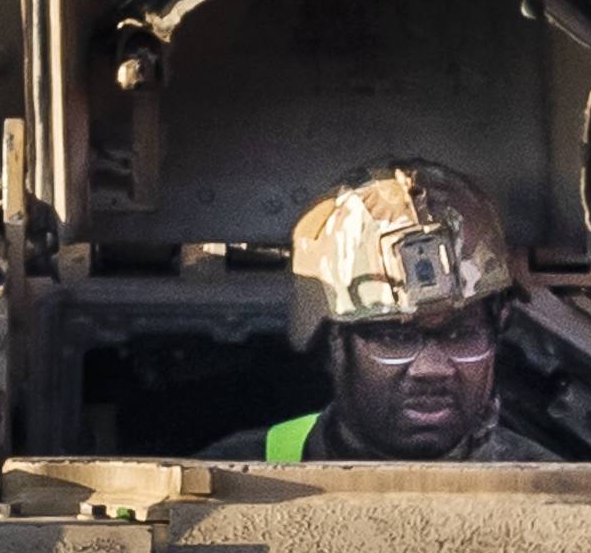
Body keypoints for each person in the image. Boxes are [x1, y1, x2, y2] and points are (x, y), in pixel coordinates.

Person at [221, 161, 529, 463]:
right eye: (394, 337)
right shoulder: (237, 474)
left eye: (461, 335)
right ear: (330, 345)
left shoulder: (546, 481)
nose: (432, 368)